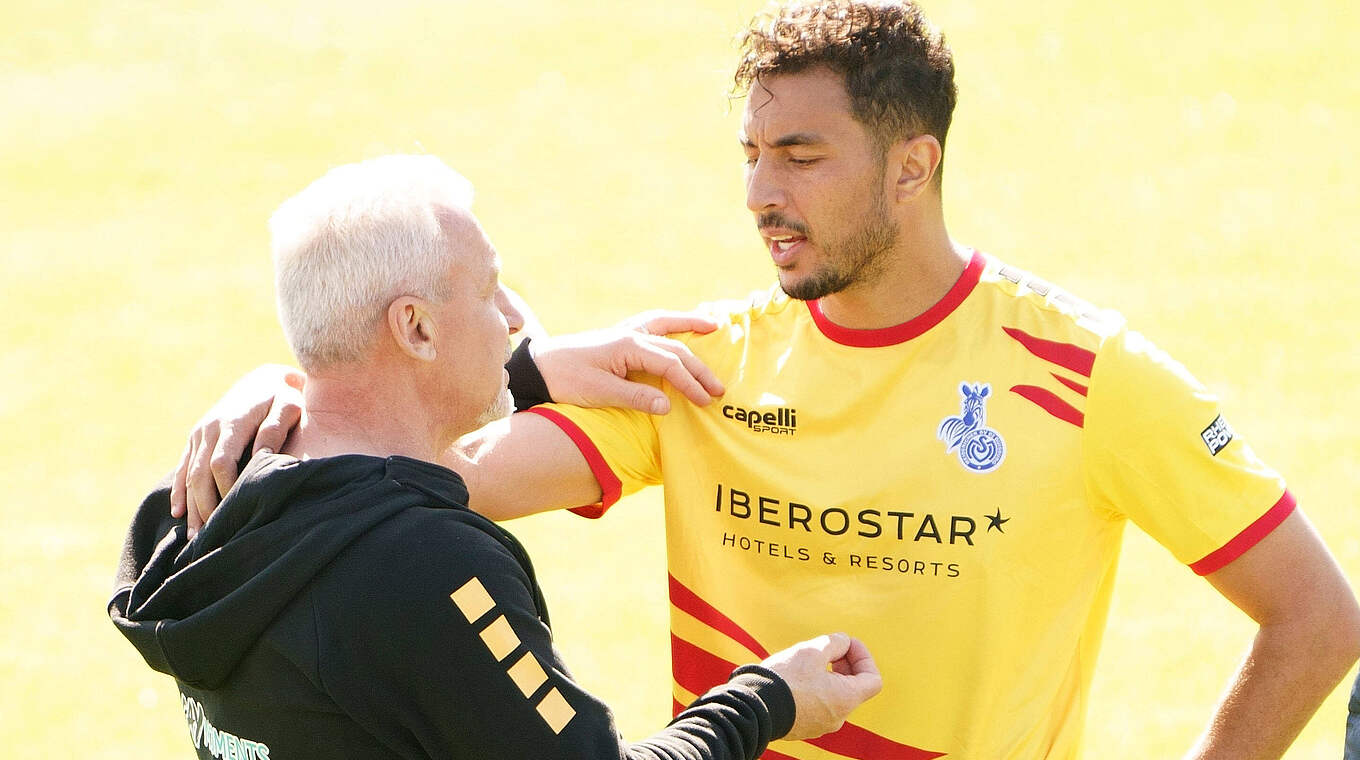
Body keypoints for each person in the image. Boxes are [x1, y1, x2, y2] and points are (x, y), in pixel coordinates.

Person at [175, 2, 1360, 758]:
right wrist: (287, 393)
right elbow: (407, 485)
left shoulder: (1081, 375)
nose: (758, 194)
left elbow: (1315, 616)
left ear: (913, 165)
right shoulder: (703, 366)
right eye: (749, 154)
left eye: (799, 154)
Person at [109, 154, 884, 760]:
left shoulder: (213, 499)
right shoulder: (429, 568)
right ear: (414, 327)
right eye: (488, 292)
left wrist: (531, 375)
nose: (515, 317)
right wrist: (768, 698)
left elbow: (358, 457)